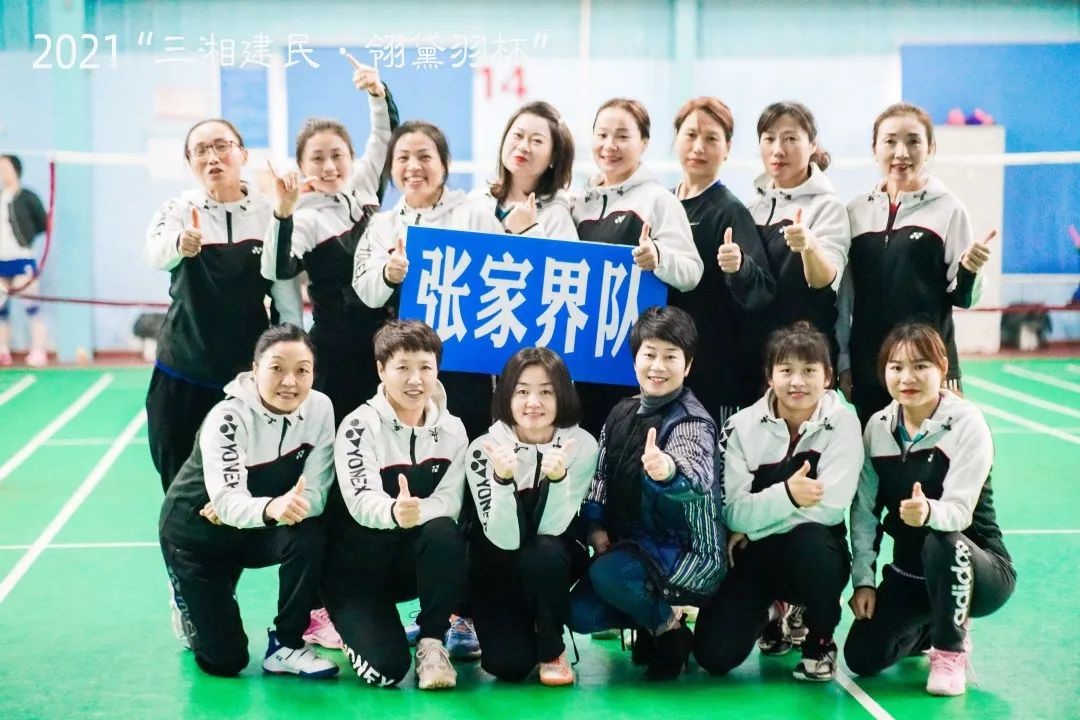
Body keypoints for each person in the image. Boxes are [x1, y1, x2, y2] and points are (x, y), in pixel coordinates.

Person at [159, 323, 338, 679]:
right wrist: (270, 508)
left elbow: (316, 494)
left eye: (302, 370)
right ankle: (186, 598)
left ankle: (287, 644)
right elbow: (226, 502)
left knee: (309, 534)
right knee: (225, 662)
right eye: (277, 369)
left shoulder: (320, 408)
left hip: (255, 526)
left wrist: (271, 509)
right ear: (255, 370)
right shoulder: (227, 418)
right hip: (196, 537)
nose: (290, 382)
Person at [844, 323, 1015, 696]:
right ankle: (933, 625)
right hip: (912, 573)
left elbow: (960, 512)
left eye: (920, 366)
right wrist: (864, 581)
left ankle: (950, 651)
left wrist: (929, 513)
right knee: (862, 656)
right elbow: (864, 512)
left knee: (942, 540)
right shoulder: (878, 428)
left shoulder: (967, 423)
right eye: (896, 367)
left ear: (942, 367)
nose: (907, 377)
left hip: (977, 568)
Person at [692, 321, 862, 683]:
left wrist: (755, 528)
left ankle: (819, 641)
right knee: (713, 656)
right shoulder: (741, 426)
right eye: (786, 371)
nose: (797, 382)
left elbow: (831, 506)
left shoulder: (844, 425)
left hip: (811, 553)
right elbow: (733, 512)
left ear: (828, 377)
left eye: (809, 371)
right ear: (770, 376)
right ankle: (774, 611)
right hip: (756, 559)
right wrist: (789, 495)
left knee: (813, 544)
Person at [568, 305, 724, 681]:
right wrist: (595, 528)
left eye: (670, 357)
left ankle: (670, 634)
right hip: (634, 549)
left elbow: (695, 476)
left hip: (691, 554)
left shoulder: (692, 421)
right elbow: (600, 478)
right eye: (649, 354)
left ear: (688, 365)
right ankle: (652, 622)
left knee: (609, 574)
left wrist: (667, 471)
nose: (658, 366)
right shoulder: (620, 413)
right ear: (635, 359)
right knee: (579, 613)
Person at [145, 119, 302, 492]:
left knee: (244, 488)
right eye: (200, 151)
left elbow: (286, 299)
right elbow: (155, 254)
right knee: (179, 487)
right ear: (190, 163)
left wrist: (289, 361)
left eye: (221, 146)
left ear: (243, 154)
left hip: (244, 379)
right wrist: (180, 244)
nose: (212, 157)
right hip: (180, 371)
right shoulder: (178, 209)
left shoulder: (271, 213)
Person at [322, 319, 470, 690]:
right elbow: (360, 500)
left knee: (445, 533)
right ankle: (350, 622)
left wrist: (415, 513)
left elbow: (450, 502)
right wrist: (393, 512)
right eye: (402, 367)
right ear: (381, 370)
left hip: (407, 565)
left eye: (425, 368)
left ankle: (432, 642)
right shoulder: (359, 426)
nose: (415, 379)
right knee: (386, 671)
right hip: (355, 572)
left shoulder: (453, 430)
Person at [838, 103, 997, 426]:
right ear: (874, 149)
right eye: (890, 141)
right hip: (869, 368)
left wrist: (970, 269)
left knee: (932, 453)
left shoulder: (949, 209)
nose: (901, 152)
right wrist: (844, 361)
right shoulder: (855, 212)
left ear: (930, 148)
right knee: (875, 454)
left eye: (913, 141)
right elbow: (845, 299)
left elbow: (964, 297)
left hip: (929, 368)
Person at [263, 56, 399, 425]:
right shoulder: (304, 219)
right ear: (302, 166)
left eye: (337, 155)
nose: (328, 167)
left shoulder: (364, 186)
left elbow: (385, 138)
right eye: (317, 158)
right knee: (340, 437)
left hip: (386, 344)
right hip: (337, 353)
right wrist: (283, 212)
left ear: (351, 158)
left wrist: (377, 93)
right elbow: (276, 268)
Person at [352, 121, 506, 441]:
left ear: (444, 164)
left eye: (424, 156)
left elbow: (505, 277)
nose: (413, 167)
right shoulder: (382, 224)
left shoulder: (474, 215)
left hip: (464, 364)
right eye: (402, 158)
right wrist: (388, 275)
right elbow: (366, 291)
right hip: (405, 365)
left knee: (467, 441)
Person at [465, 347, 598, 686]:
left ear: (563, 395)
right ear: (506, 396)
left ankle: (552, 645)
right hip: (498, 560)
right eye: (522, 391)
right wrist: (501, 480)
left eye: (546, 392)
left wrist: (557, 479)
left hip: (550, 558)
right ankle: (487, 621)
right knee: (508, 667)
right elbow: (504, 538)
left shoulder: (582, 445)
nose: (533, 402)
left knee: (544, 552)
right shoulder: (483, 449)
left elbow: (553, 528)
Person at [571, 98, 704, 436]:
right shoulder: (579, 203)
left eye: (622, 136)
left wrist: (659, 257)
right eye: (602, 135)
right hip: (584, 354)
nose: (610, 145)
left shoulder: (658, 200)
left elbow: (691, 272)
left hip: (634, 359)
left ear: (643, 143)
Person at [668, 97, 775, 424]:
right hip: (665, 364)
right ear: (676, 140)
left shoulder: (730, 210)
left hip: (714, 370)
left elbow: (762, 292)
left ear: (727, 148)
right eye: (690, 135)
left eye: (711, 138)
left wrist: (739, 266)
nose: (698, 147)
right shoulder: (661, 204)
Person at [744, 102, 850, 378]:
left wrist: (809, 246)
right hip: (754, 356)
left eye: (791, 138)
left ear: (812, 145)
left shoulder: (827, 206)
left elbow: (825, 281)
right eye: (769, 139)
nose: (778, 150)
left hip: (804, 361)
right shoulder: (752, 208)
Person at [471, 100, 578, 240]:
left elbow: (564, 255)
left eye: (537, 141)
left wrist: (529, 231)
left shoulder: (556, 214)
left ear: (553, 157)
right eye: (518, 135)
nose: (523, 147)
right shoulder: (475, 201)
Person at [0, 154, 49, 367]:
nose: (2, 172)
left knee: (31, 306)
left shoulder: (28, 197)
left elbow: (43, 223)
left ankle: (38, 351)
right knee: (1, 309)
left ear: (16, 170)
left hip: (22, 258)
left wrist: (26, 239)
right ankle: (3, 350)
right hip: (1, 260)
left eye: (5, 168)